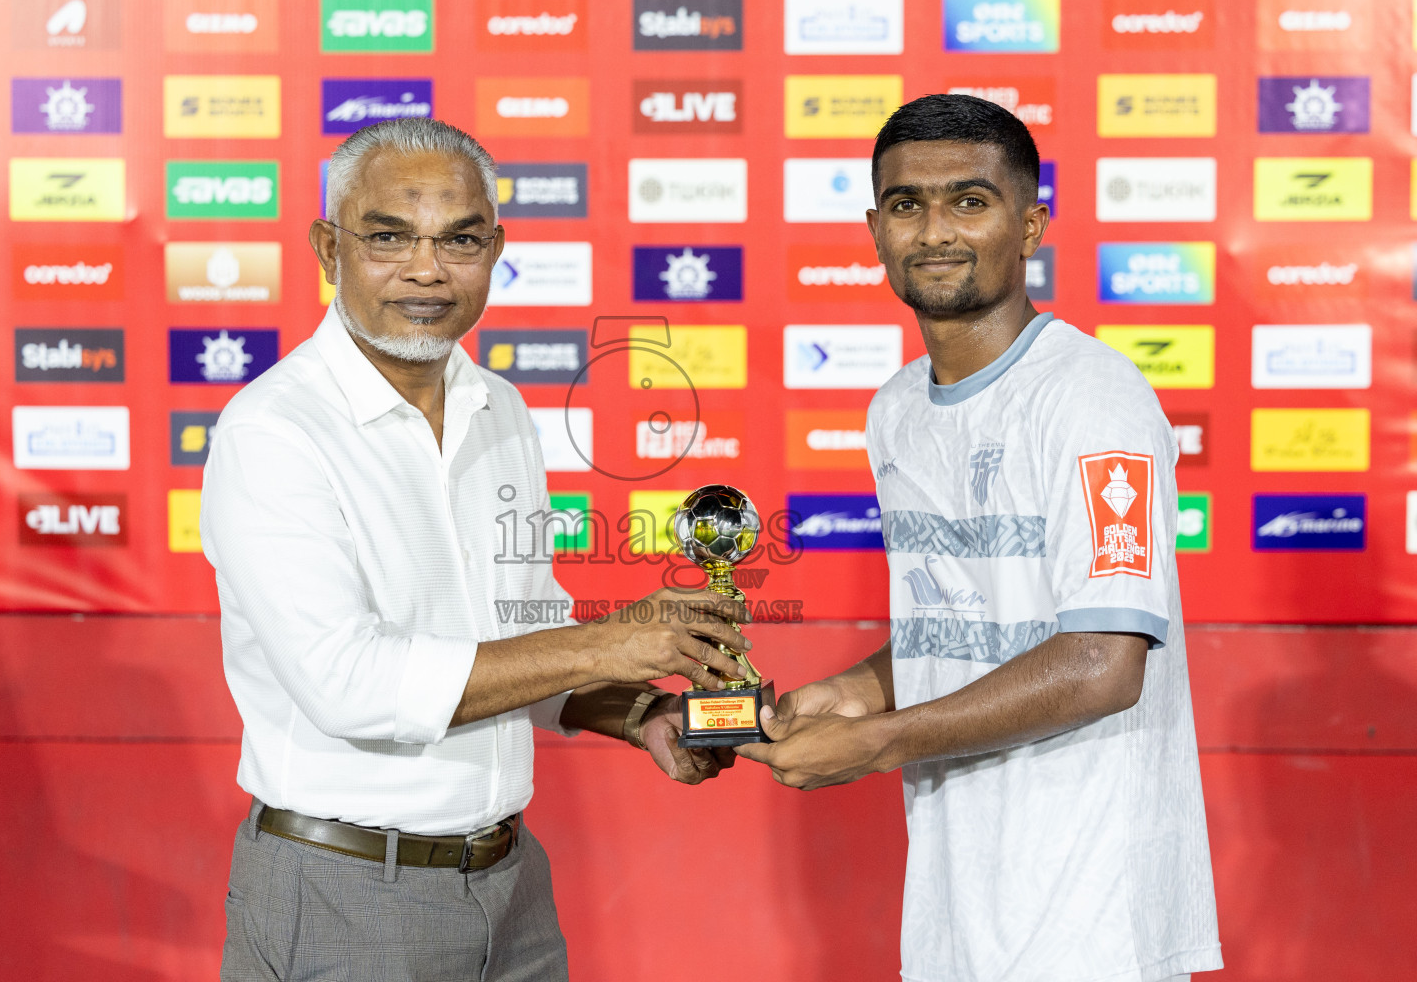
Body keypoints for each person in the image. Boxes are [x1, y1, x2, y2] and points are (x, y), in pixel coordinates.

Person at [201, 117, 748, 982]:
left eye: (459, 240)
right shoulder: (274, 430)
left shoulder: (501, 409)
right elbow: (350, 684)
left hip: (512, 887)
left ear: (495, 249)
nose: (426, 269)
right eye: (388, 237)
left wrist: (639, 714)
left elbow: (525, 644)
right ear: (327, 246)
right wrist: (611, 639)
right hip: (347, 892)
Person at [737, 94, 1222, 982]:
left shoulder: (1091, 398)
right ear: (874, 228)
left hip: (1090, 914)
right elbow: (964, 620)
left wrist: (881, 740)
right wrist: (857, 692)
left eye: (970, 201)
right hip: (958, 900)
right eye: (906, 204)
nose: (935, 232)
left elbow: (1103, 662)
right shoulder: (897, 409)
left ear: (1031, 224)